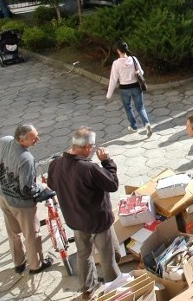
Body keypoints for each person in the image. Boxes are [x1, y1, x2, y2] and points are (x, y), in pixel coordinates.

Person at [47, 127, 120, 300]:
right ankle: (116, 288)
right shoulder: (89, 168)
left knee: (84, 254)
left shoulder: (55, 164)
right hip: (97, 222)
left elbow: (51, 185)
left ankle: (87, 289)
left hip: (76, 220)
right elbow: (112, 184)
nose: (93, 150)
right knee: (107, 258)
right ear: (87, 147)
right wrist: (107, 161)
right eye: (92, 147)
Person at [0, 124, 52, 275]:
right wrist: (42, 188)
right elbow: (27, 189)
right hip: (20, 203)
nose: (37, 140)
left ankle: (18, 263)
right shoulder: (26, 159)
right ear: (21, 140)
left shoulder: (4, 140)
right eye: (34, 138)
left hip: (2, 195)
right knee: (31, 234)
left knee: (13, 232)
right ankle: (36, 265)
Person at [105, 42, 152, 137]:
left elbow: (113, 79)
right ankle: (146, 124)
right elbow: (141, 72)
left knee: (128, 107)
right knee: (140, 107)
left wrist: (109, 94)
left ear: (118, 51)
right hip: (136, 87)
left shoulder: (116, 63)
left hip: (124, 89)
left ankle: (134, 126)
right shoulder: (133, 59)